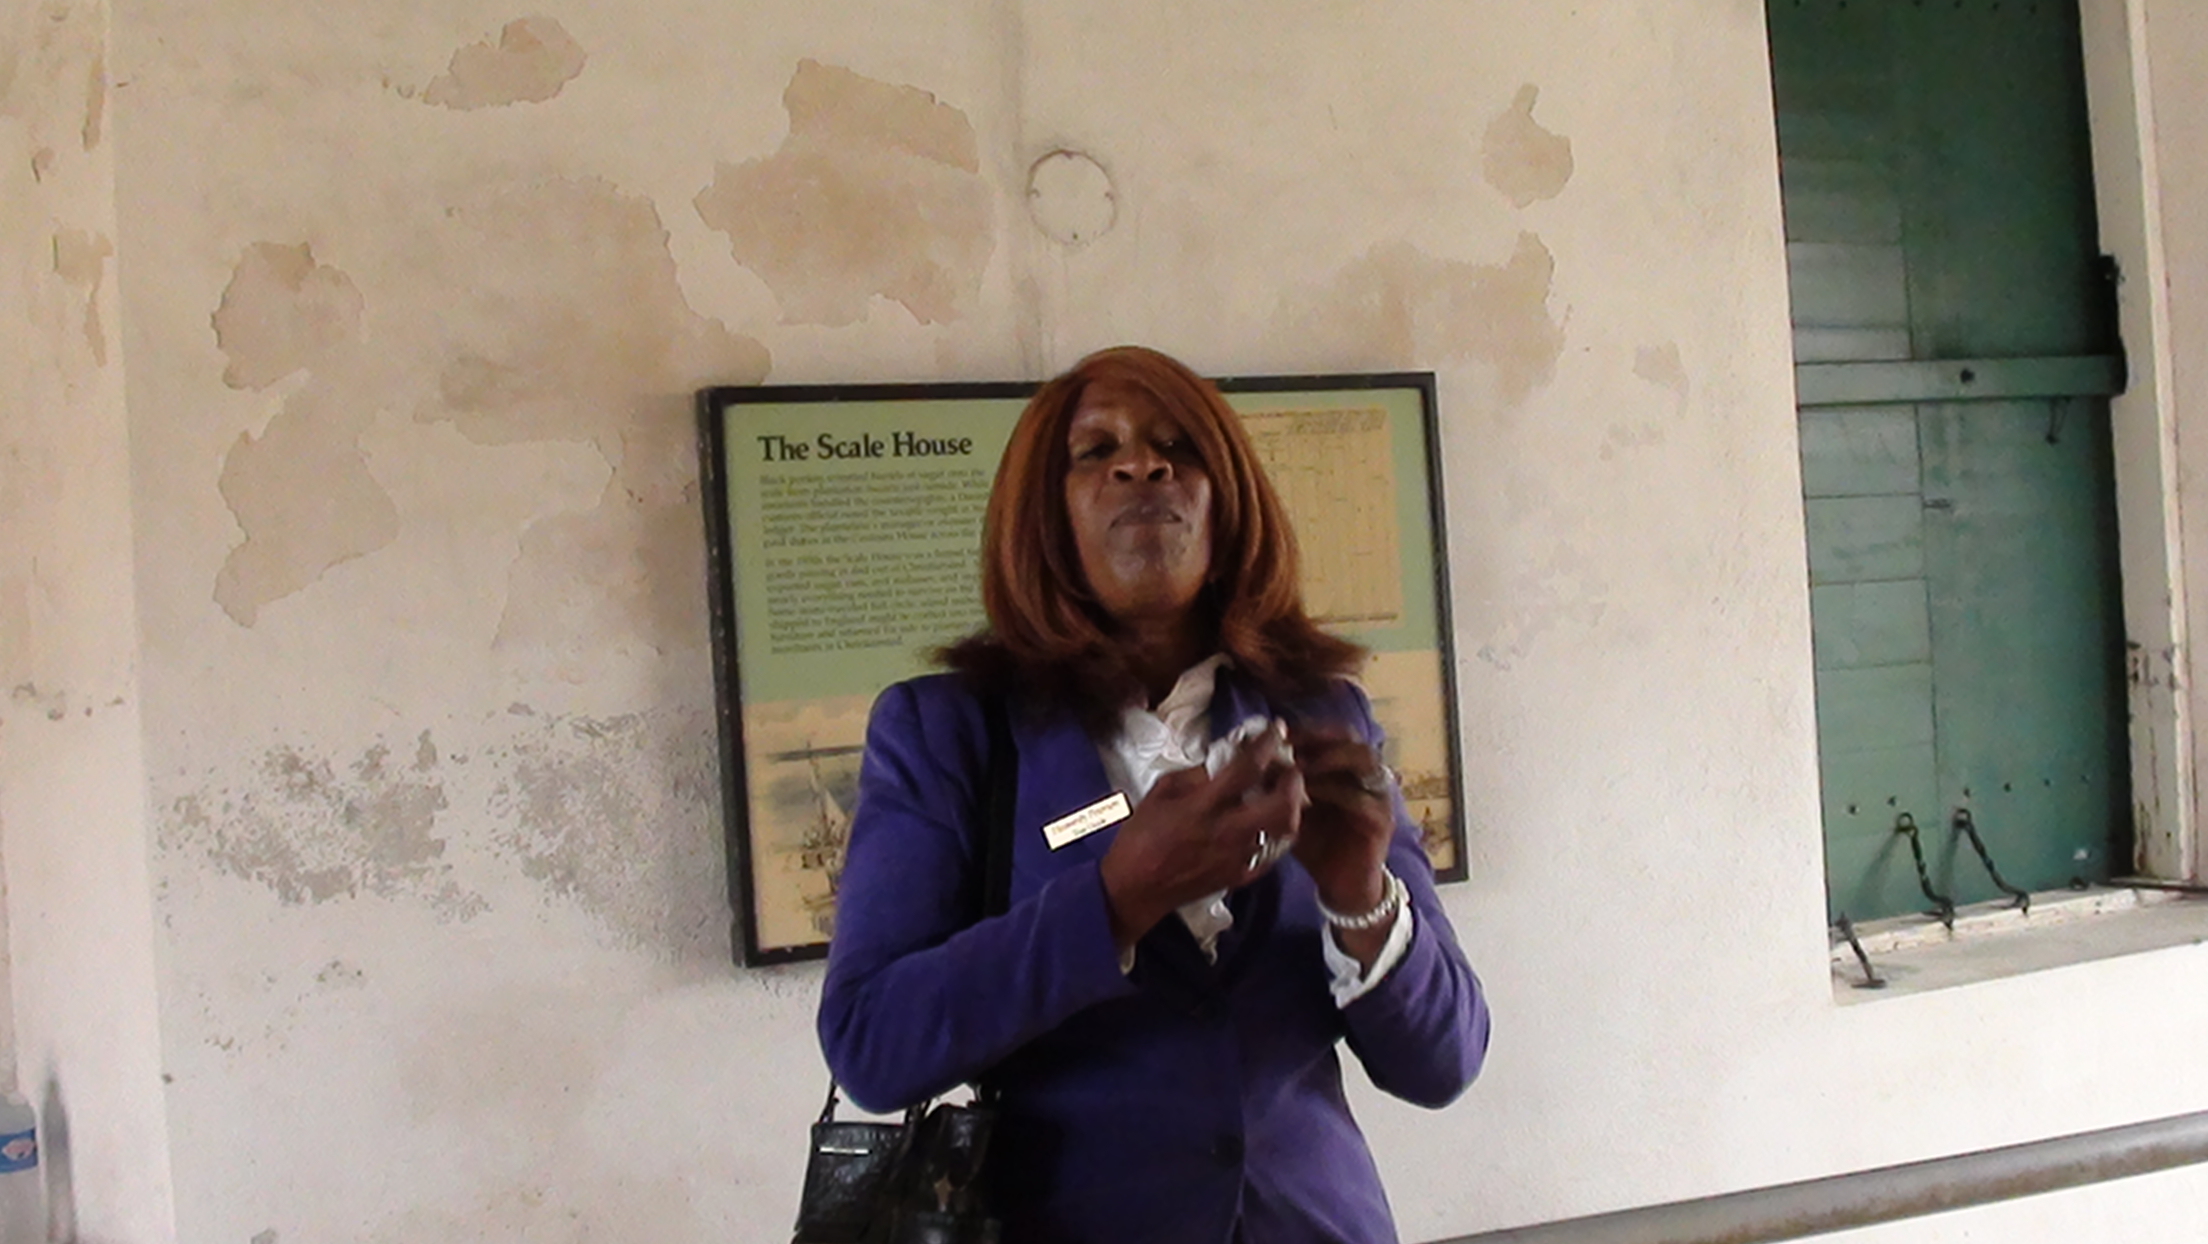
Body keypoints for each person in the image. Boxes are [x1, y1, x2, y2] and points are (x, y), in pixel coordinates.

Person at [818, 346, 1491, 1243]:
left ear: (1228, 504)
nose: (1143, 465)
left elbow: (1445, 1062)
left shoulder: (1322, 714)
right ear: (1044, 517)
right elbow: (872, 1044)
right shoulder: (949, 731)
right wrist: (1117, 900)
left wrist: (1360, 895)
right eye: (1096, 451)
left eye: (1179, 446)